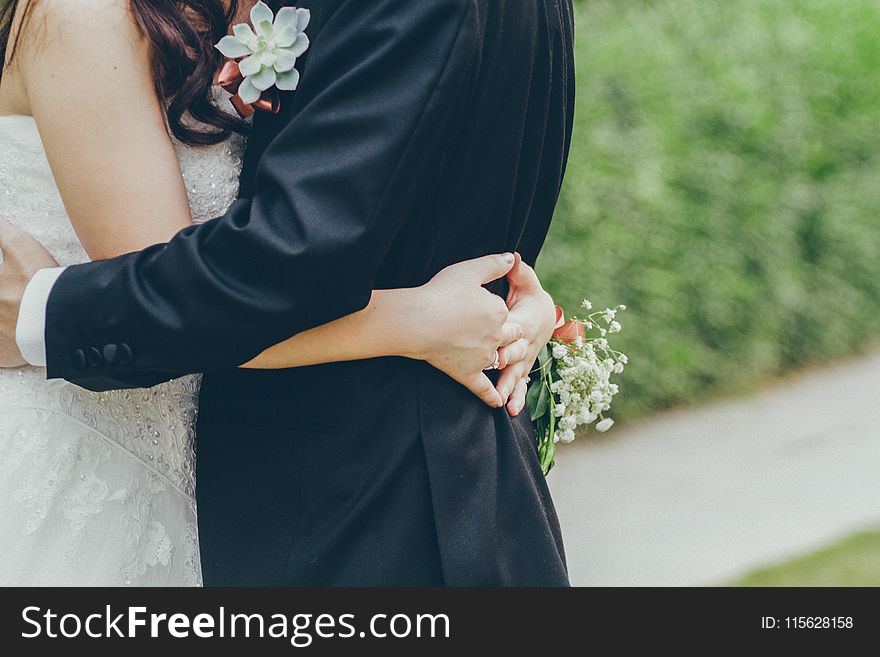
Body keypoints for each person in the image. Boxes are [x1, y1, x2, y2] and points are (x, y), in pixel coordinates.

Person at [0, 0, 574, 586]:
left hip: (292, 473)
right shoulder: (80, 17)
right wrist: (419, 321)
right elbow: (198, 290)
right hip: (105, 454)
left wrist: (497, 306)